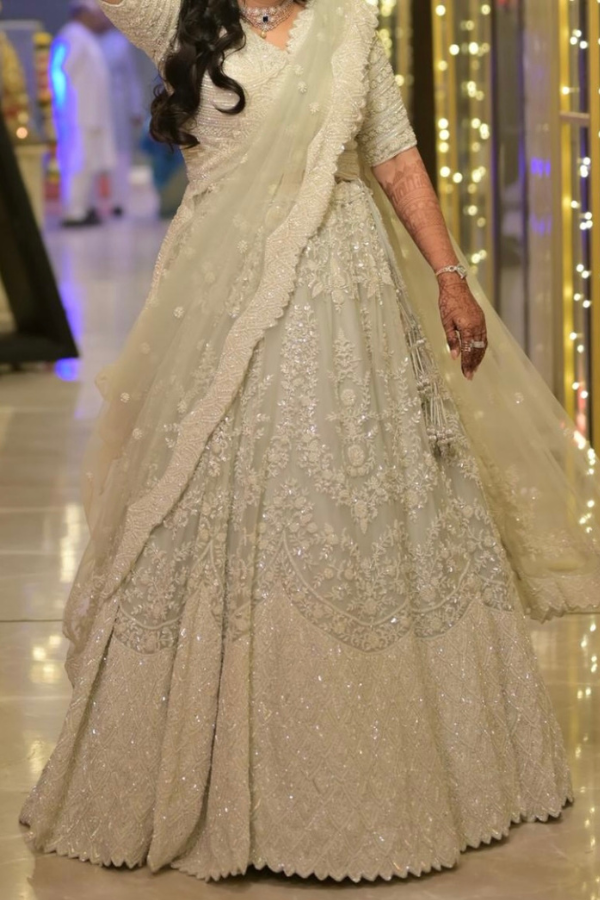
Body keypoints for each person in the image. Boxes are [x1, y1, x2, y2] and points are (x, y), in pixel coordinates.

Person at [21, 0, 600, 883]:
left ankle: (414, 776)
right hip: (221, 304)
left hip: (346, 295)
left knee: (356, 506)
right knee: (210, 508)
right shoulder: (182, 17)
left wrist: (450, 275)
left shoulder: (348, 24)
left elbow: (395, 154)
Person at [50, 0, 116, 226]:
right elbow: (60, 71)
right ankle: (73, 212)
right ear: (83, 13)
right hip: (77, 115)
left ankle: (85, 208)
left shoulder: (85, 37)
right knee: (77, 164)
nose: (99, 19)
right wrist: (66, 107)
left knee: (88, 164)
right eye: (96, 14)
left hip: (90, 115)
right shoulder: (72, 35)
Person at [96, 12, 145, 216]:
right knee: (95, 152)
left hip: (118, 105)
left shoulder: (119, 43)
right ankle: (96, 203)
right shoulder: (88, 40)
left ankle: (119, 201)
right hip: (95, 107)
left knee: (120, 153)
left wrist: (135, 108)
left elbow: (131, 78)